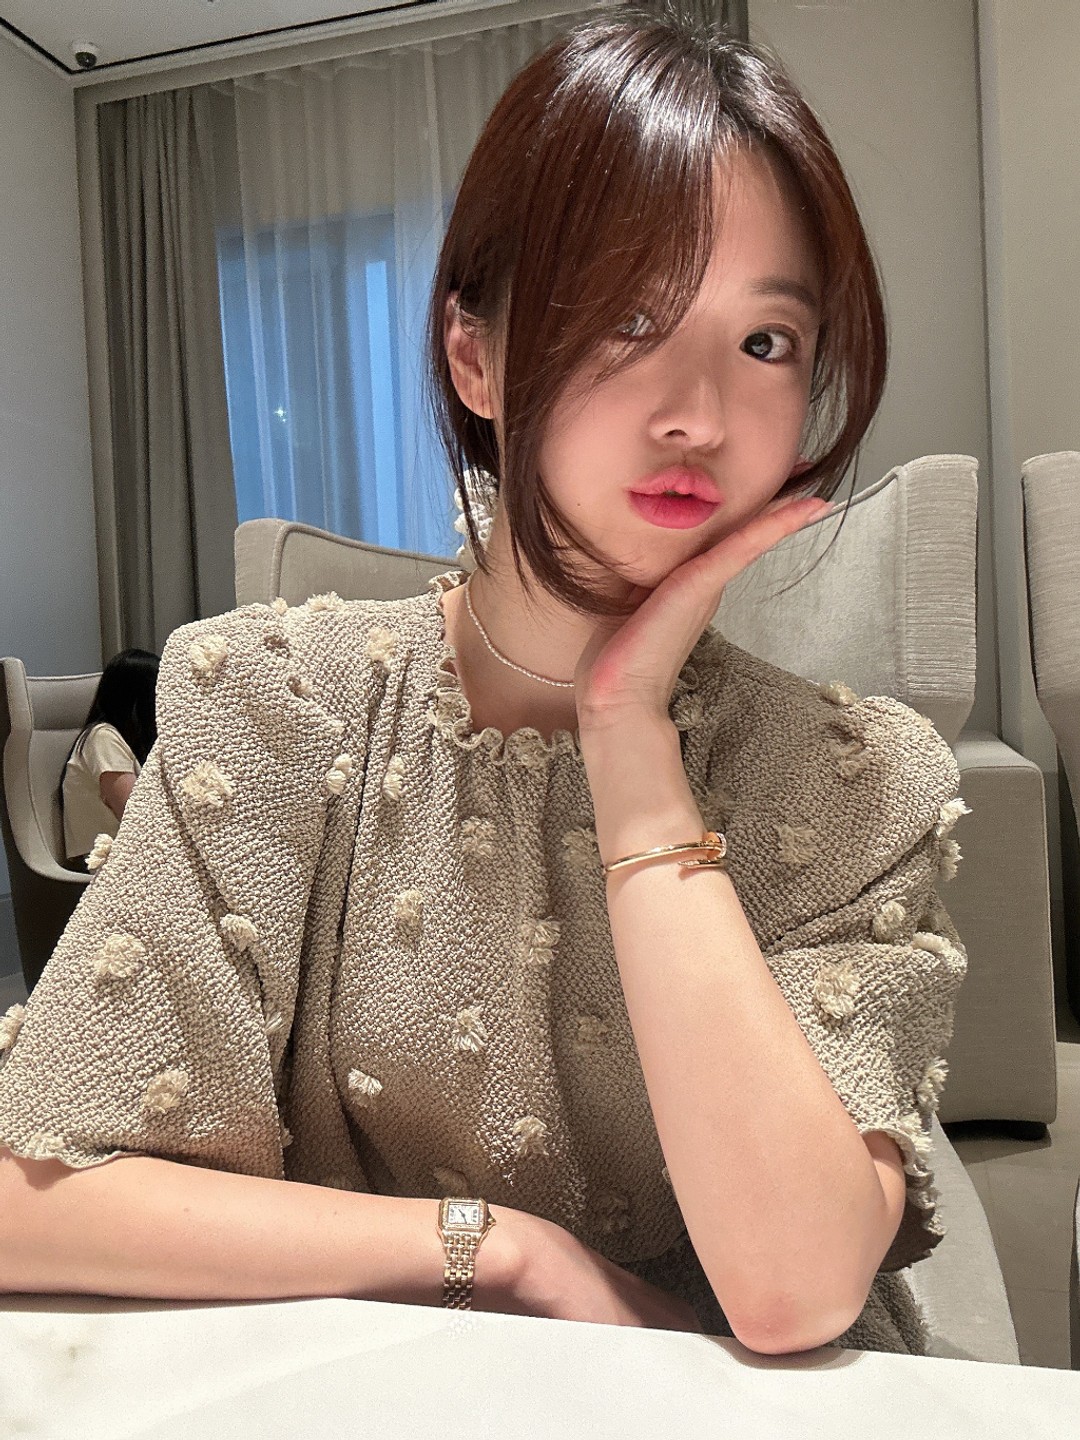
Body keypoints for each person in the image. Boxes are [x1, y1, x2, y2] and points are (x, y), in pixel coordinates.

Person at [0, 7, 969, 1357]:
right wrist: (502, 1256)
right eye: (630, 316)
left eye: (765, 343)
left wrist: (630, 742)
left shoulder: (858, 785)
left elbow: (793, 1288)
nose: (698, 412)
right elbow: (35, 1197)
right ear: (478, 355)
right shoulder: (273, 702)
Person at [60, 649, 160, 866]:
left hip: (135, 858)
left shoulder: (125, 741)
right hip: (110, 864)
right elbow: (135, 815)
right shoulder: (102, 738)